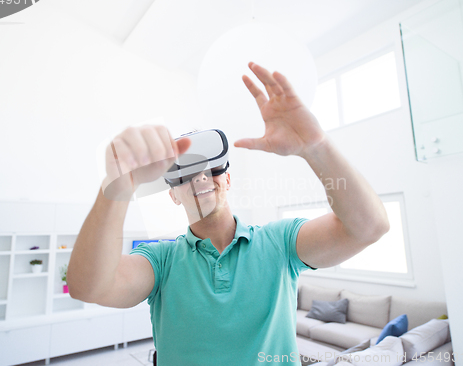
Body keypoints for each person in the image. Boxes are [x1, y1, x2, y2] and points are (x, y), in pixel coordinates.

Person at [68, 62, 390, 365]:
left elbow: (369, 226)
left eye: (213, 168)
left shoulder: (279, 243)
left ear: (229, 179)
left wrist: (315, 145)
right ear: (174, 195)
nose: (201, 177)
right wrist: (117, 188)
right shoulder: (161, 262)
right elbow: (89, 287)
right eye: (187, 174)